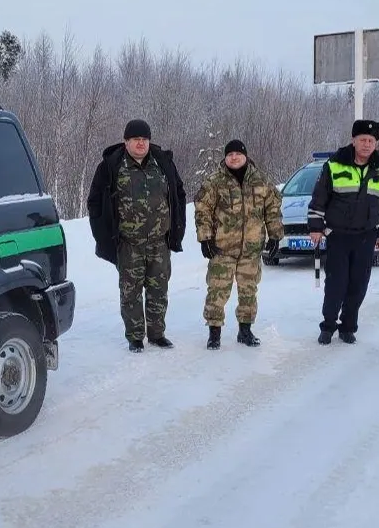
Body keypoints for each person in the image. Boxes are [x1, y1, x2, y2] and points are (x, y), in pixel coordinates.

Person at [87, 118, 186, 353]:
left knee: (158, 290)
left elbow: (178, 194)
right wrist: (104, 237)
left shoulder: (162, 163)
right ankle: (135, 337)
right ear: (126, 141)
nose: (140, 144)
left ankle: (157, 334)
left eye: (144, 139)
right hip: (128, 244)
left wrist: (176, 229)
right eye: (135, 139)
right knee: (130, 293)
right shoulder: (111, 166)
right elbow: (94, 203)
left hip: (159, 243)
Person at [306, 119, 379, 345]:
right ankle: (328, 326)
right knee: (336, 284)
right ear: (353, 141)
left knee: (358, 284)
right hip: (338, 235)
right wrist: (316, 228)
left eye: (371, 140)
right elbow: (319, 198)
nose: (366, 144)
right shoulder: (335, 164)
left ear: (376, 143)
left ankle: (348, 327)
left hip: (366, 236)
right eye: (362, 140)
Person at [194, 139, 283, 349]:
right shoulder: (215, 182)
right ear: (225, 157)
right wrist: (205, 237)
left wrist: (275, 235)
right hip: (222, 249)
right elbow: (202, 210)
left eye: (238, 154)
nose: (234, 157)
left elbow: (272, 209)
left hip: (251, 250)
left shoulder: (261, 181)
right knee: (217, 291)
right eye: (230, 154)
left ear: (245, 156)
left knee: (248, 291)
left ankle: (245, 330)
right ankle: (214, 333)